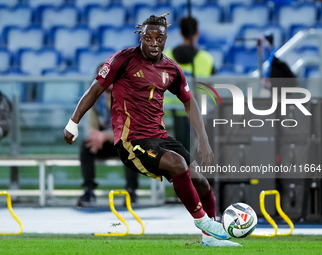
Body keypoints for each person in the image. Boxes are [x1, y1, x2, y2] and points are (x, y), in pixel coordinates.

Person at [64, 13, 240, 247]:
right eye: (149, 38)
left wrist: (204, 140)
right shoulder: (122, 60)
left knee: (202, 183)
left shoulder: (172, 69)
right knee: (178, 164)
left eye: (160, 38)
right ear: (141, 37)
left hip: (160, 137)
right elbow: (95, 89)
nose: (154, 42)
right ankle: (204, 222)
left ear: (166, 38)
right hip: (131, 141)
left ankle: (210, 239)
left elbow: (190, 102)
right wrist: (73, 121)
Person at [77, 63, 139, 207]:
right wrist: (95, 137)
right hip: (103, 144)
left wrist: (104, 136)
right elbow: (90, 126)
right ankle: (88, 190)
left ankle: (131, 191)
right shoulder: (94, 101)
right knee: (86, 146)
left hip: (122, 142)